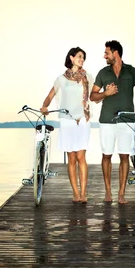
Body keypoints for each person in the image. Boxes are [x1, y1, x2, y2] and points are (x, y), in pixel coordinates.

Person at [90, 40, 135, 204]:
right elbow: (93, 97)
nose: (104, 56)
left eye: (106, 53)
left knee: (124, 156)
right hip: (107, 120)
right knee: (106, 155)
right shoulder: (103, 73)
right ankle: (108, 192)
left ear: (116, 53)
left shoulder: (132, 71)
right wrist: (106, 94)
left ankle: (121, 193)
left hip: (127, 119)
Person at [40, 47, 93, 204]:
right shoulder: (61, 79)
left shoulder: (88, 77)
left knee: (81, 156)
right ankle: (75, 193)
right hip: (67, 120)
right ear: (71, 58)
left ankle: (83, 193)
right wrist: (44, 106)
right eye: (79, 56)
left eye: (83, 57)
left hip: (83, 119)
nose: (81, 59)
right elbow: (50, 96)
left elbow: (94, 94)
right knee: (71, 158)